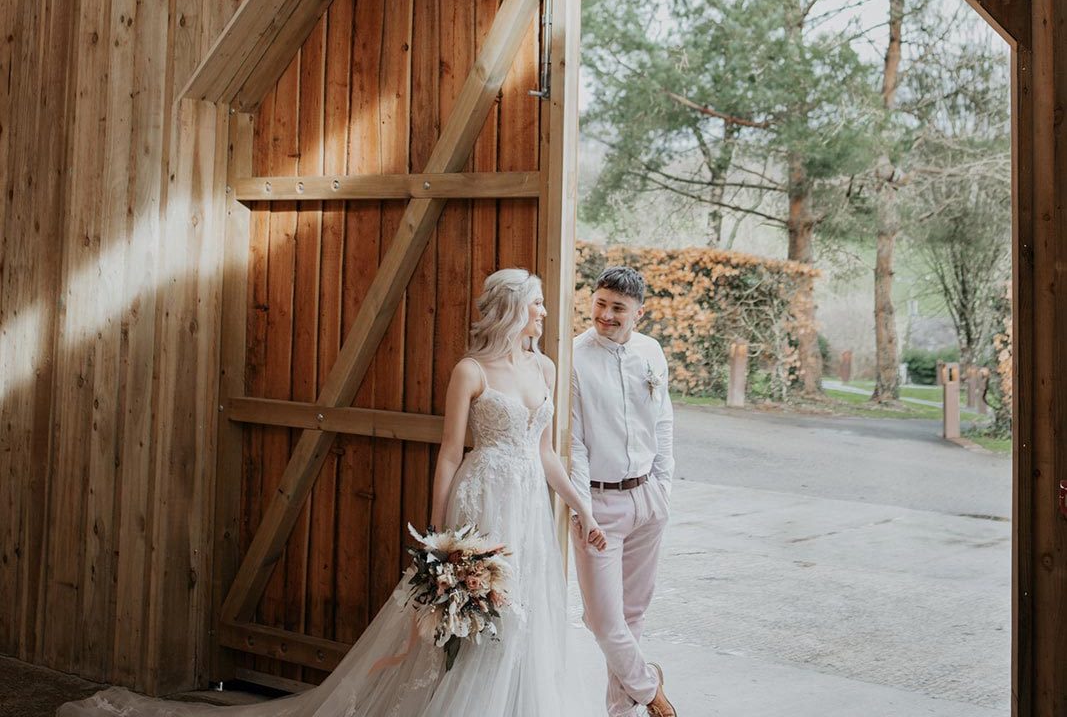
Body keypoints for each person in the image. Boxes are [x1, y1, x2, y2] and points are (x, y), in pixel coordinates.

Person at [59, 268, 605, 717]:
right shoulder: (470, 371)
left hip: (529, 504)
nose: (544, 312)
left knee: (524, 613)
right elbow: (448, 455)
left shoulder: (546, 369)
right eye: (536, 303)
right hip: (481, 499)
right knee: (474, 613)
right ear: (512, 310)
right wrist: (436, 538)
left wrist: (584, 511)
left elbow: (546, 453)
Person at [569, 266, 677, 717]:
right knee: (605, 622)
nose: (606, 315)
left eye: (618, 308)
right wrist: (584, 510)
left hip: (648, 499)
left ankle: (622, 712)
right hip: (600, 506)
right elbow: (572, 442)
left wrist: (663, 487)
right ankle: (652, 692)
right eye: (600, 304)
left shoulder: (652, 352)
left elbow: (665, 421)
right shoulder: (573, 355)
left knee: (632, 618)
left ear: (639, 312)